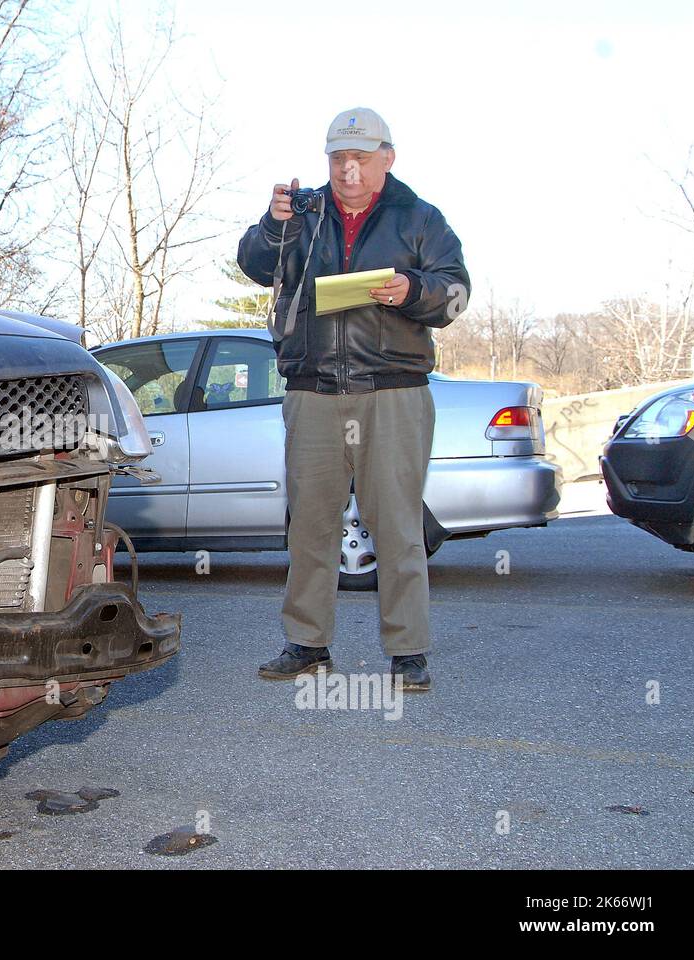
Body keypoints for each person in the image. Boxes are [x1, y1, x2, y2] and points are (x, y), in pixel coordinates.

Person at [237, 107, 470, 691]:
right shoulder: (303, 212)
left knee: (396, 527)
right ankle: (307, 644)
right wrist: (271, 225)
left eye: (360, 159)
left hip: (392, 391)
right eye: (339, 159)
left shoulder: (420, 218)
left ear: (386, 159)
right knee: (309, 527)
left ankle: (408, 651)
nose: (348, 171)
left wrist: (413, 289)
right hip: (312, 392)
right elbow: (254, 265)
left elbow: (456, 292)